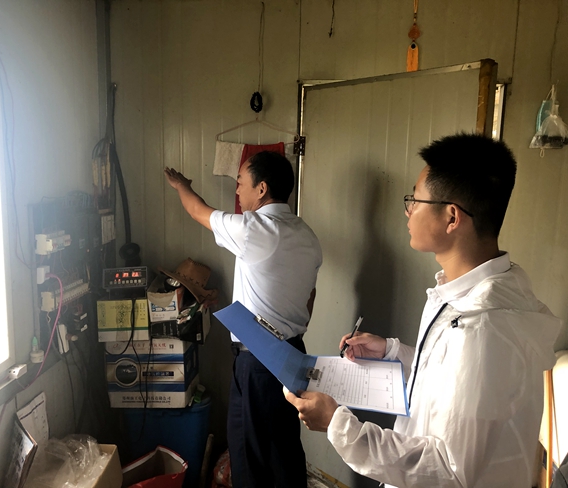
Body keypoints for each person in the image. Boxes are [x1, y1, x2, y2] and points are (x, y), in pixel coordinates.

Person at [284, 133, 562, 488]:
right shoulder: (476, 289)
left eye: (415, 200)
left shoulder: (484, 327)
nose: (408, 210)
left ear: (451, 217)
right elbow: (454, 383)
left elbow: (448, 469)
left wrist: (337, 424)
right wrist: (393, 353)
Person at [164, 151, 322, 488]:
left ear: (261, 188)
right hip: (293, 353)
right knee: (282, 449)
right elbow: (309, 296)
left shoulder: (255, 228)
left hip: (258, 361)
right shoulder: (306, 234)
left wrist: (180, 186)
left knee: (251, 458)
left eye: (240, 182)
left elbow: (197, 210)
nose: (237, 191)